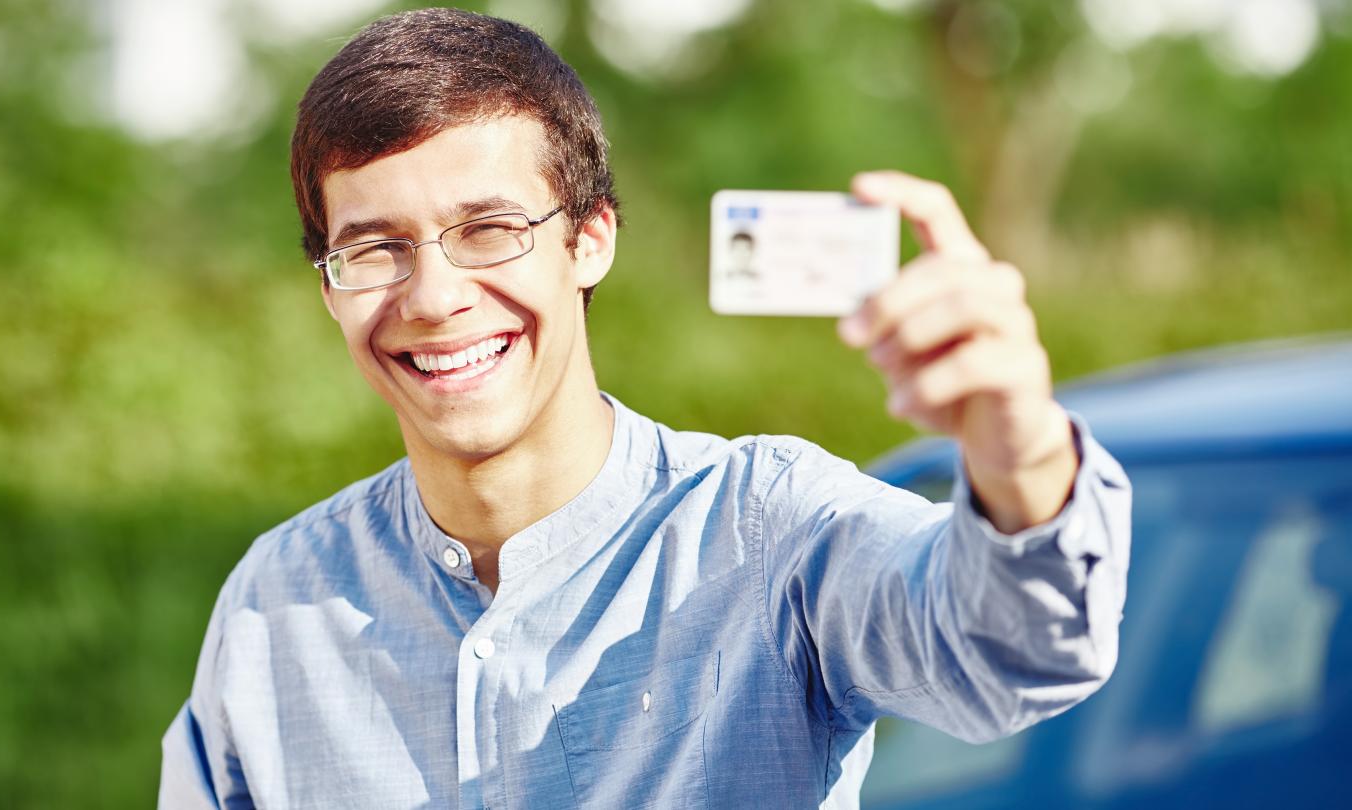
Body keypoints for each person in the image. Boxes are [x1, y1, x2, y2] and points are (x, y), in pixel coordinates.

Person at [158, 8, 1131, 809]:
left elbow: (1014, 652)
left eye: (489, 229)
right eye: (374, 249)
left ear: (590, 241)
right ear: (328, 284)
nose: (432, 297)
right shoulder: (276, 605)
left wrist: (1022, 459)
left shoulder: (774, 530)